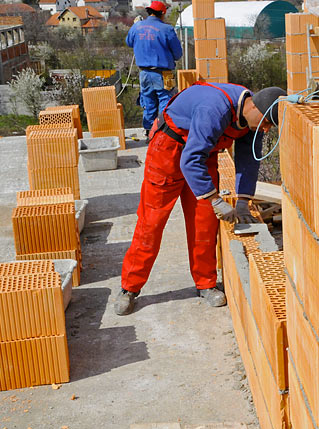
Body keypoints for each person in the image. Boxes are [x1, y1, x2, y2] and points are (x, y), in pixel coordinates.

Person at [115, 83, 287, 315]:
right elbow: (190, 160)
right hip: (169, 150)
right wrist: (216, 200)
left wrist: (244, 201)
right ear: (254, 107)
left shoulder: (251, 118)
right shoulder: (214, 110)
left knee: (204, 223)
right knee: (151, 223)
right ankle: (130, 287)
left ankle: (205, 283)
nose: (266, 129)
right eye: (266, 123)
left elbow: (249, 160)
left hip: (202, 155)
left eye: (270, 126)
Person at [125, 0, 182, 138]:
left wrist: (136, 26)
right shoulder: (166, 29)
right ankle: (162, 133)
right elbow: (178, 54)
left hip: (144, 73)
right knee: (165, 101)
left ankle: (149, 132)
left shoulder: (137, 26)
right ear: (162, 13)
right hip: (163, 74)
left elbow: (129, 42)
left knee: (148, 102)